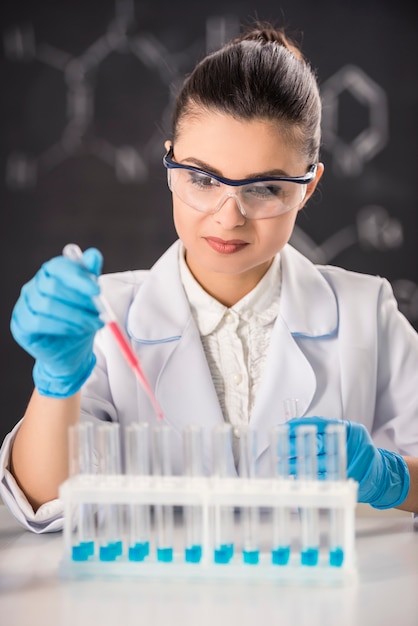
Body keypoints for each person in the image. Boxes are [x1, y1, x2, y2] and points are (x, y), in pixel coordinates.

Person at [1, 23, 417, 533]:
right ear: (170, 161)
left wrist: (388, 478)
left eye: (266, 187)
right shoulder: (103, 317)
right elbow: (44, 503)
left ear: (309, 187)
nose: (229, 216)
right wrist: (56, 380)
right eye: (201, 178)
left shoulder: (365, 311)